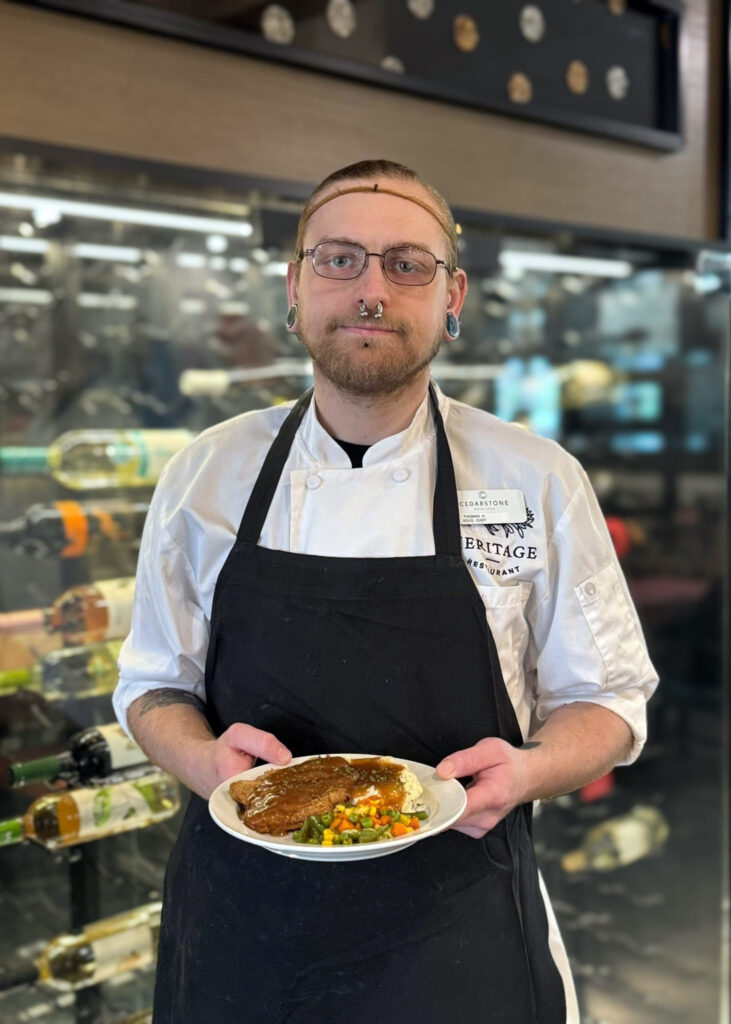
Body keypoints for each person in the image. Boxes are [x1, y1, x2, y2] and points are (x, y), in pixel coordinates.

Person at [114, 159, 658, 1024]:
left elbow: (610, 699)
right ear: (293, 288)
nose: (371, 289)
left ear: (452, 296)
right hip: (241, 936)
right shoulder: (206, 475)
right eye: (338, 259)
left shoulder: (535, 478)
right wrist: (202, 761)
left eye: (407, 263)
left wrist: (527, 772)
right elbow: (152, 686)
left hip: (459, 934)